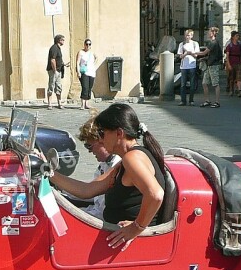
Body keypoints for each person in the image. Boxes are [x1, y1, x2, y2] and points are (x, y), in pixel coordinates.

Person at [50, 103, 166, 251]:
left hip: (121, 245)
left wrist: (136, 228)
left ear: (119, 133)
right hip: (110, 237)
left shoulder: (132, 158)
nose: (101, 140)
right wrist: (49, 173)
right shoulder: (126, 159)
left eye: (103, 133)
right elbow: (87, 190)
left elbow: (155, 194)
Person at [75, 115, 121, 218]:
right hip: (95, 213)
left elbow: (87, 191)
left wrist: (51, 173)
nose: (89, 151)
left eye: (89, 146)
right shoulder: (104, 165)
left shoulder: (118, 165)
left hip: (102, 221)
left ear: (103, 141)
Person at [197, 26, 222, 108]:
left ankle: (217, 102)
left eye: (209, 32)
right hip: (209, 65)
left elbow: (204, 52)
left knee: (215, 84)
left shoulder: (213, 42)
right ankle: (207, 100)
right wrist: (205, 58)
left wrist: (192, 53)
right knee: (204, 83)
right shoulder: (212, 42)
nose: (208, 33)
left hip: (213, 65)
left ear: (213, 33)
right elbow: (211, 55)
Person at [177, 29, 200, 106]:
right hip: (184, 66)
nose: (187, 37)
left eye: (189, 35)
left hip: (192, 65)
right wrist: (185, 54)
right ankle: (183, 100)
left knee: (192, 84)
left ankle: (191, 100)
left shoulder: (195, 44)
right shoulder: (181, 44)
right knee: (183, 84)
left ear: (192, 36)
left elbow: (196, 55)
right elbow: (180, 56)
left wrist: (190, 53)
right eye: (186, 35)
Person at [75, 39, 98, 110]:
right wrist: (78, 72)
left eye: (89, 44)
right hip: (84, 72)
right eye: (86, 44)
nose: (88, 46)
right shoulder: (81, 52)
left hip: (91, 72)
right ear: (84, 44)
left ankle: (87, 104)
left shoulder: (92, 52)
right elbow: (77, 62)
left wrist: (94, 64)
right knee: (85, 87)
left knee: (89, 88)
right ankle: (82, 104)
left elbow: (97, 58)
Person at [46, 34, 67, 109]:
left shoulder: (58, 48)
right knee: (51, 86)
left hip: (58, 70)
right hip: (53, 71)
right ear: (59, 40)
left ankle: (59, 103)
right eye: (63, 40)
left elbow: (58, 59)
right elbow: (52, 60)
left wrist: (63, 64)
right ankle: (50, 104)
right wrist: (54, 70)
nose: (63, 41)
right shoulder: (54, 48)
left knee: (58, 87)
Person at [224, 31, 241, 97]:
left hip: (238, 63)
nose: (238, 37)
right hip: (231, 62)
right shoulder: (229, 45)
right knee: (231, 78)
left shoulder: (240, 45)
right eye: (236, 36)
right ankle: (231, 90)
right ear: (233, 37)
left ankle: (239, 90)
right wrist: (228, 64)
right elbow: (227, 55)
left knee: (239, 77)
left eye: (238, 36)